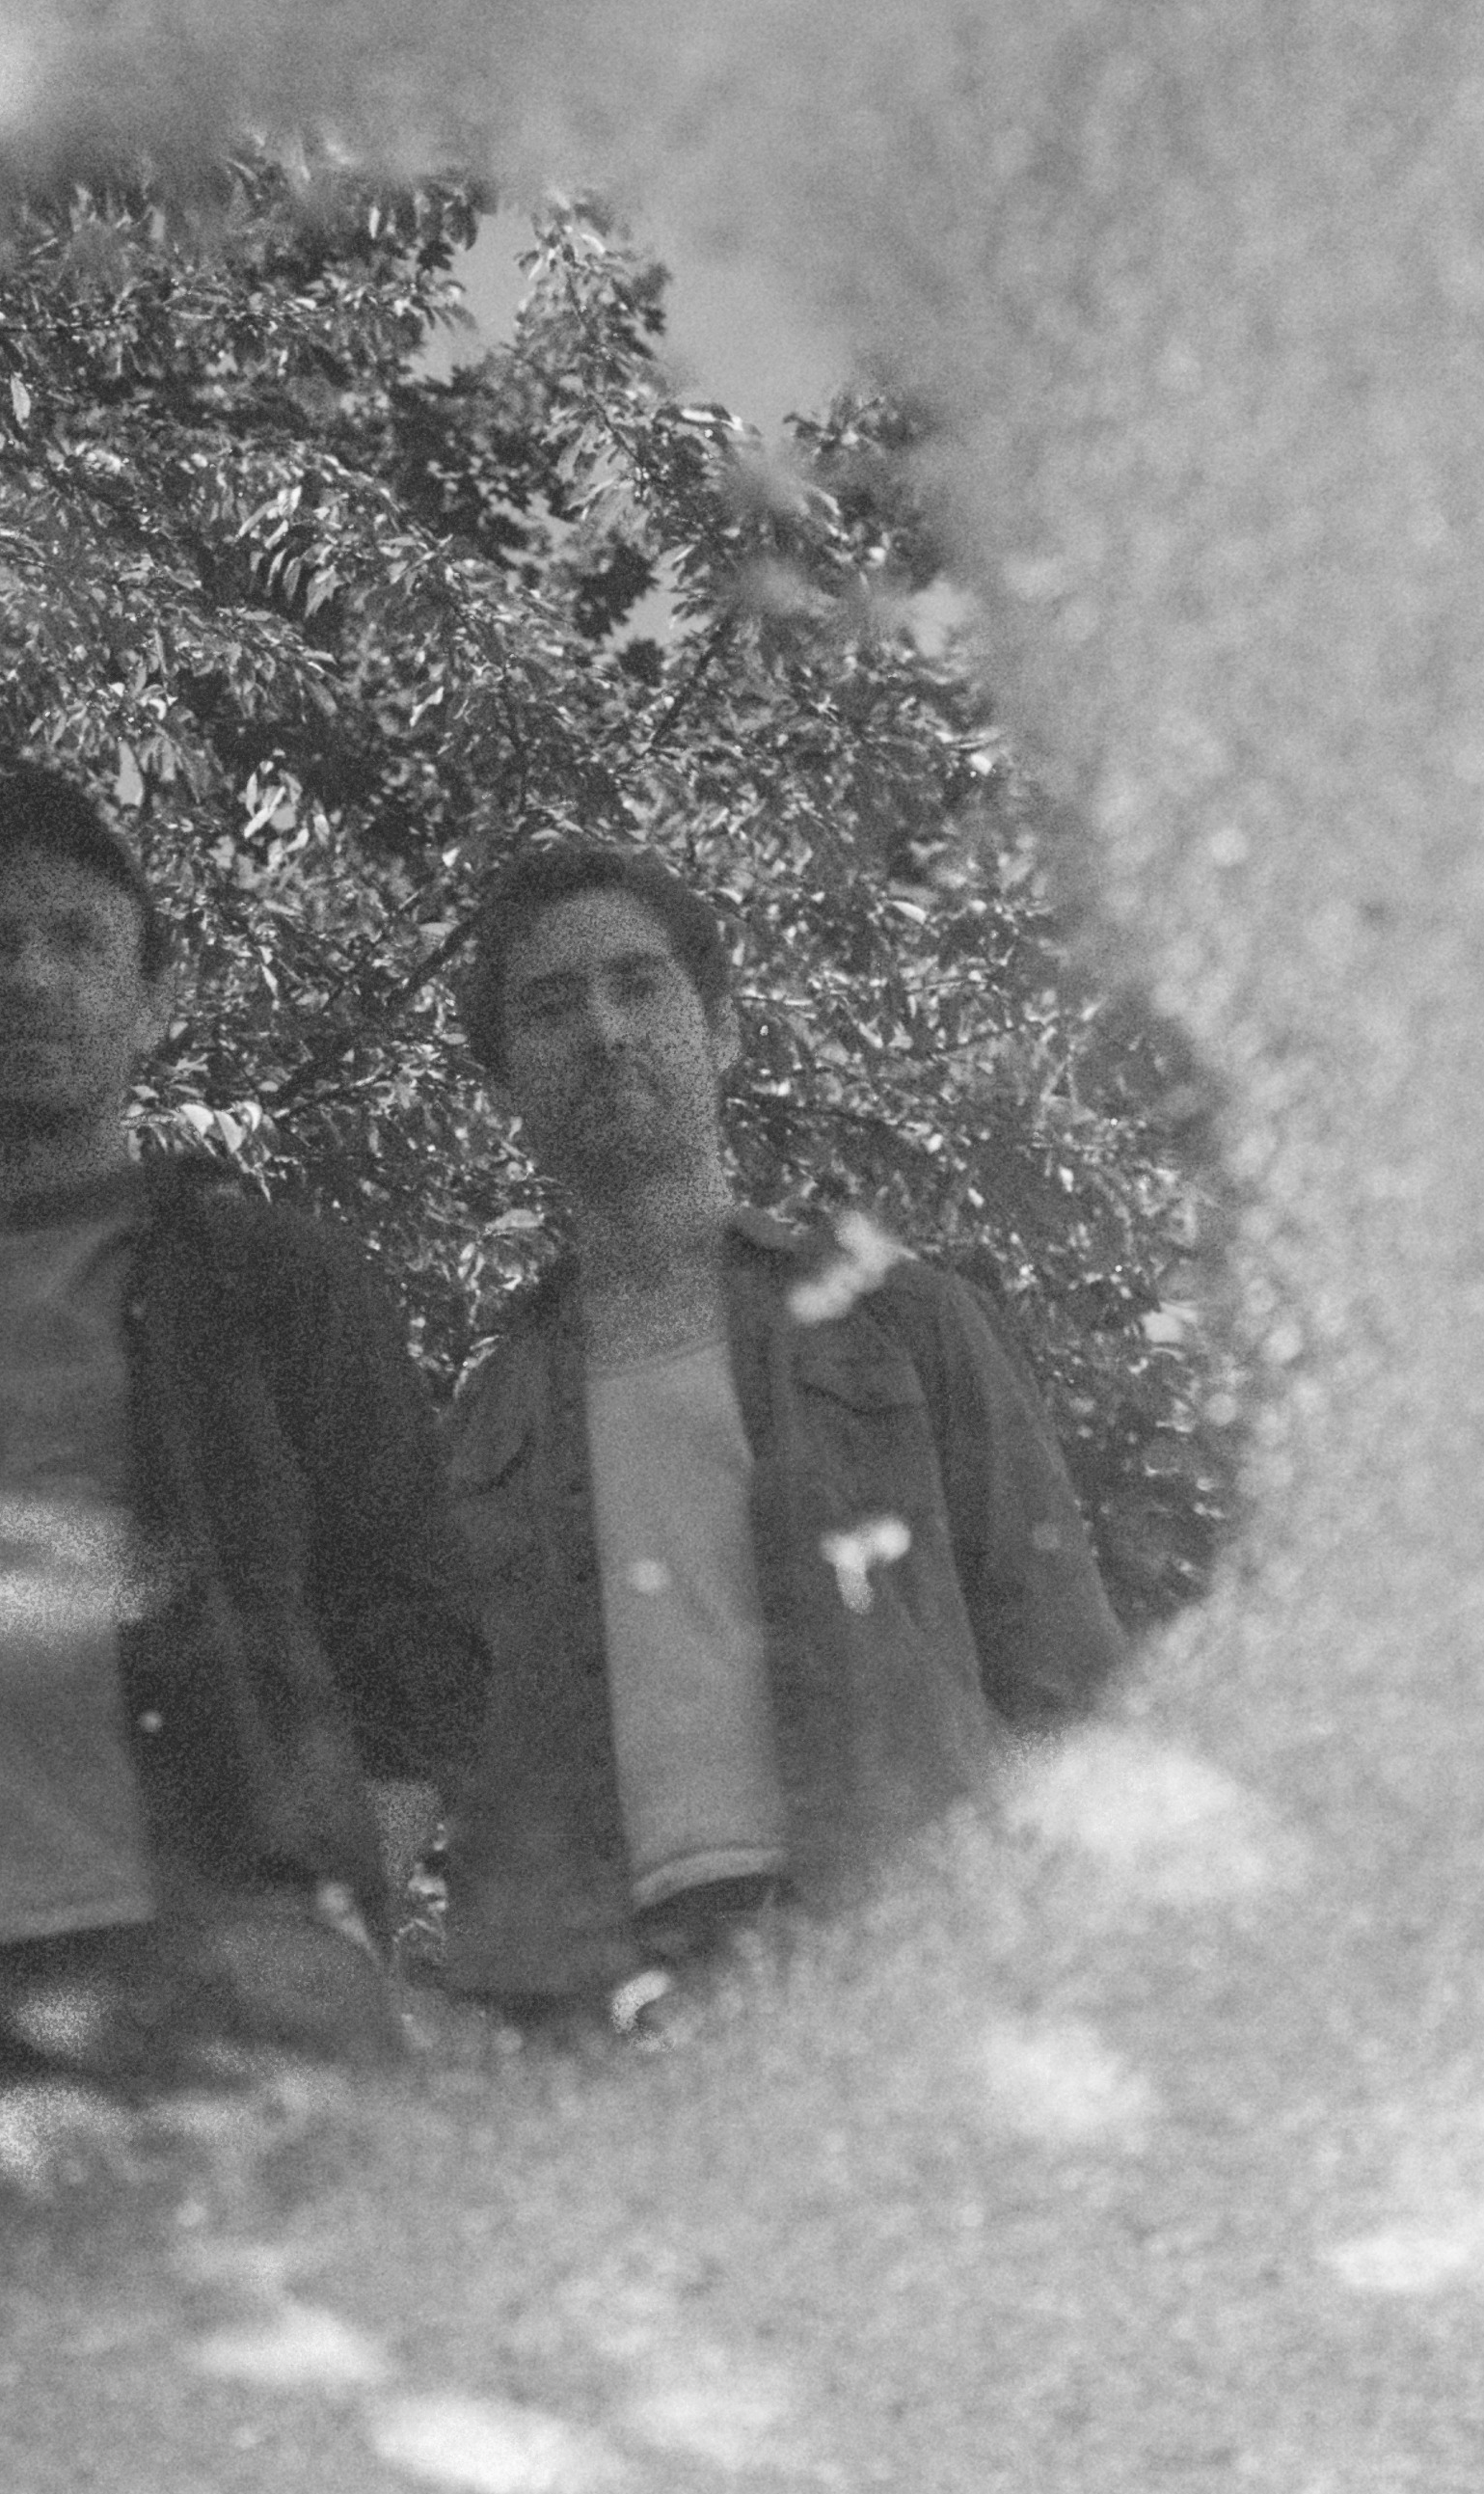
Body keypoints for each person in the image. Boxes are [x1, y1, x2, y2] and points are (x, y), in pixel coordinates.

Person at [0, 764, 484, 2168]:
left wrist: (328, 1909)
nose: (32, 976)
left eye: (77, 940)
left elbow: (420, 1629)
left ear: (157, 1000)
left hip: (225, 1973)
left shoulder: (266, 1275)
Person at [441, 837, 1126, 2030]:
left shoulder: (904, 1321)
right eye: (549, 1008)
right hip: (611, 2017)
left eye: (638, 984)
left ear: (721, 1029)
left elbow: (1064, 1673)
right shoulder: (483, 1422)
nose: (603, 1030)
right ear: (503, 1086)